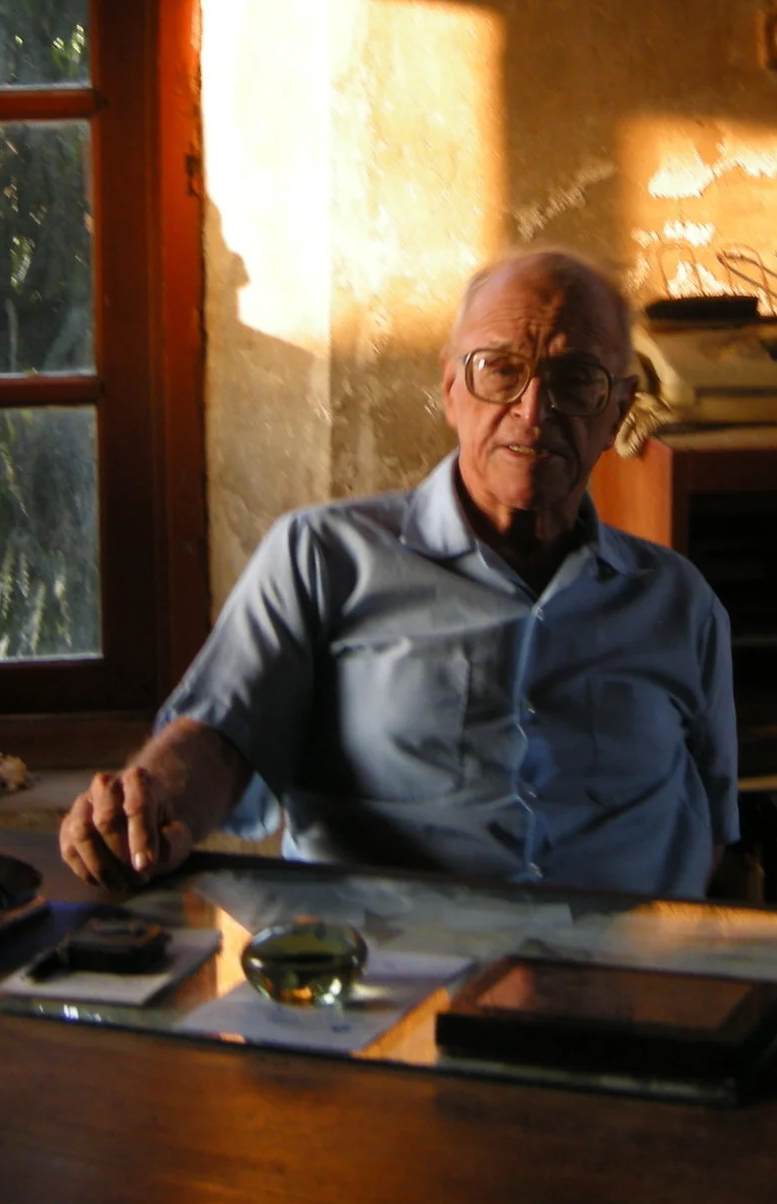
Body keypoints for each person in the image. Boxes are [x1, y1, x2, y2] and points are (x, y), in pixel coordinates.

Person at [59, 249, 737, 900]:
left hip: (622, 991)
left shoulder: (680, 602)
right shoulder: (321, 557)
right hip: (388, 980)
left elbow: (710, 824)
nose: (534, 411)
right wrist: (148, 803)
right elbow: (221, 734)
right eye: (500, 369)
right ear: (450, 387)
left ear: (619, 409)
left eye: (575, 380)